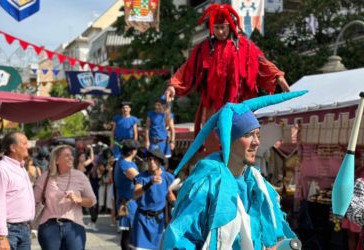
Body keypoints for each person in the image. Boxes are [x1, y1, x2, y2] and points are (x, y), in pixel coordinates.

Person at [162, 91, 307, 249]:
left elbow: (273, 233)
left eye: (257, 134)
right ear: (228, 140)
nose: (256, 142)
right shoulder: (205, 185)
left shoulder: (259, 185)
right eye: (248, 135)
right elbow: (181, 240)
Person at [164, 3, 290, 152]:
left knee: (240, 146)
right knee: (214, 146)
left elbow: (262, 63)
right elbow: (188, 68)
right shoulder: (204, 48)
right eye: (216, 27)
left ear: (230, 26)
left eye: (223, 27)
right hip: (213, 106)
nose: (220, 31)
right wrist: (173, 85)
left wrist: (278, 77)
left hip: (238, 104)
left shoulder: (245, 47)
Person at [33, 145, 97, 250]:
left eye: (71, 155)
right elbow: (34, 201)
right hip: (49, 226)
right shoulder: (45, 177)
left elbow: (92, 201)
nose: (71, 157)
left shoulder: (80, 176)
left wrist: (79, 199)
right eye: (67, 155)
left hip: (74, 226)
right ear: (57, 160)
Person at [0, 131, 34, 250]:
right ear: (13, 148)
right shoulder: (1, 169)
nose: (28, 146)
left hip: (25, 230)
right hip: (9, 232)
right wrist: (1, 237)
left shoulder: (21, 167)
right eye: (24, 143)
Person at [130, 149, 176, 249]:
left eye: (154, 159)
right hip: (142, 220)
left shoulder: (167, 177)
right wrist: (150, 183)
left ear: (159, 161)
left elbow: (169, 193)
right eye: (149, 159)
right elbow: (135, 194)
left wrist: (175, 204)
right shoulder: (141, 177)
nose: (151, 162)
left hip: (159, 220)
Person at [113, 140, 140, 250]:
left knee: (128, 234)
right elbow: (140, 179)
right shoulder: (125, 164)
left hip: (128, 201)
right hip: (128, 203)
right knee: (129, 235)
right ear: (133, 151)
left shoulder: (121, 160)